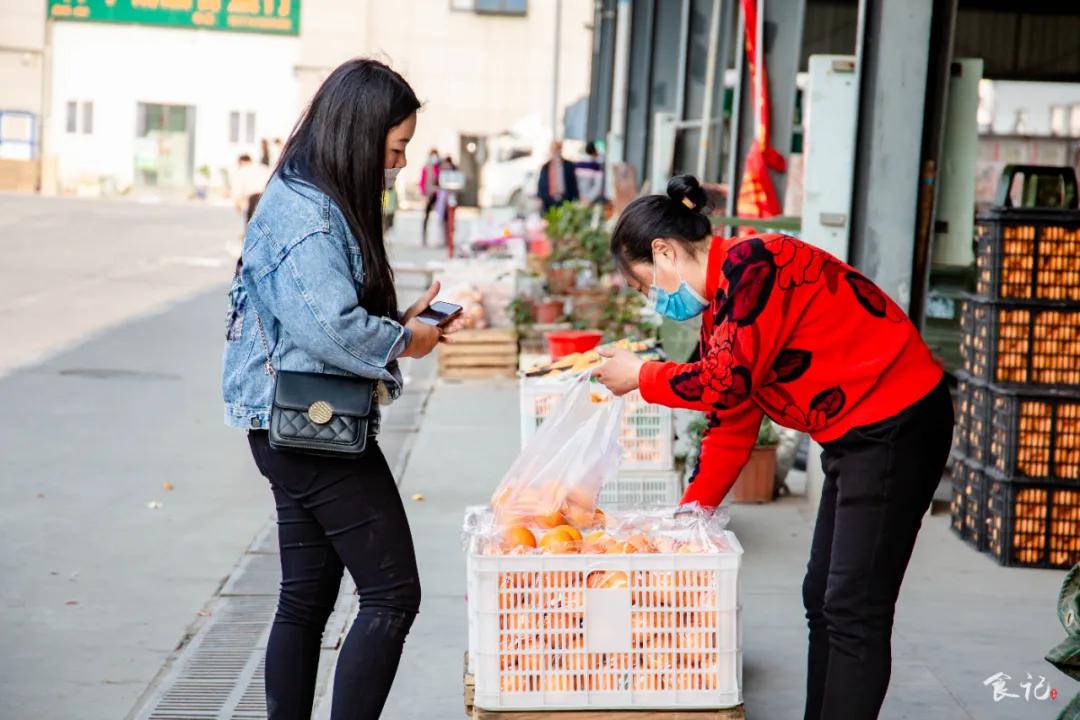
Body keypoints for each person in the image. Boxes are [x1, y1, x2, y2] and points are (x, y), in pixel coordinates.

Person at [592, 175, 954, 720]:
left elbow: (724, 383)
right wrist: (691, 519)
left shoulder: (755, 265)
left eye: (646, 287)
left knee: (854, 607)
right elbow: (732, 421)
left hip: (896, 422)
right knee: (821, 599)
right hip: (855, 434)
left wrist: (643, 375)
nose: (654, 302)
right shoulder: (722, 309)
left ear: (664, 251)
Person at [221, 58, 461, 720]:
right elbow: (330, 325)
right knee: (391, 594)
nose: (400, 166)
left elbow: (316, 317)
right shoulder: (306, 213)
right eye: (395, 150)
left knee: (305, 597)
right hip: (313, 429)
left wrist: (402, 324)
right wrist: (404, 340)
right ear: (359, 136)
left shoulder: (311, 198)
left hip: (297, 424)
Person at [537, 139, 579, 213]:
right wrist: (541, 198)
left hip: (565, 200)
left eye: (557, 149)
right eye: (553, 150)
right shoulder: (546, 167)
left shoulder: (569, 165)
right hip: (549, 201)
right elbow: (541, 184)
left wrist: (576, 199)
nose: (555, 152)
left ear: (560, 149)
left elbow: (573, 184)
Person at [232, 153, 271, 226]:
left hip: (252, 199)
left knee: (251, 223)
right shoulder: (264, 168)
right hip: (266, 196)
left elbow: (238, 189)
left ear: (241, 162)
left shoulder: (242, 171)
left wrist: (237, 204)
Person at [418, 148, 440, 246]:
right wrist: (424, 195)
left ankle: (440, 238)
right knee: (426, 216)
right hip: (429, 195)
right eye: (433, 155)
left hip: (438, 195)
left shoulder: (439, 167)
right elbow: (422, 182)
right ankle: (424, 237)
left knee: (441, 217)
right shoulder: (426, 167)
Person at [574, 140, 604, 205]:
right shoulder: (596, 166)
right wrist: (589, 198)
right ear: (594, 151)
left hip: (578, 198)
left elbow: (574, 182)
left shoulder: (577, 164)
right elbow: (598, 185)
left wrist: (580, 196)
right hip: (590, 200)